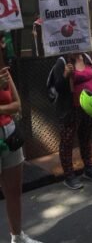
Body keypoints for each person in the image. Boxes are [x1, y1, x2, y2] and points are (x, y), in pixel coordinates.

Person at [0, 61, 43, 242]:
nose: (2, 44)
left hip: (9, 134)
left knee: (14, 191)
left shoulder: (4, 73)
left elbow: (17, 105)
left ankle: (17, 237)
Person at [53, 53, 92, 190]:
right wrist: (65, 75)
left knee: (86, 138)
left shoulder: (87, 58)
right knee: (67, 142)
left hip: (88, 107)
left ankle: (88, 168)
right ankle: (69, 175)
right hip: (71, 109)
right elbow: (58, 87)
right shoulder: (62, 61)